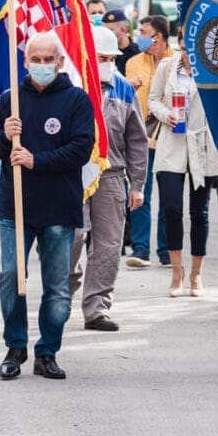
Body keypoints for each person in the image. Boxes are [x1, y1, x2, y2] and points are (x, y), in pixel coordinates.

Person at [0, 32, 96, 380]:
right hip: (16, 208)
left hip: (59, 207)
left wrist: (36, 160)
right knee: (12, 277)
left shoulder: (76, 100)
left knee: (58, 287)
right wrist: (3, 133)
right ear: (25, 61)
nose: (42, 65)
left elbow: (81, 149)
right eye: (36, 59)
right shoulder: (9, 101)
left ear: (60, 63)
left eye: (49, 59)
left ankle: (47, 351)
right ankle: (15, 347)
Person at [69, 26, 148, 331]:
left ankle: (96, 308)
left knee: (108, 246)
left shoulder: (123, 88)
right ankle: (62, 297)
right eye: (101, 57)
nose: (107, 62)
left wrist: (137, 184)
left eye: (111, 57)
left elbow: (137, 140)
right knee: (72, 239)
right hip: (74, 174)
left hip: (112, 176)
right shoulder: (73, 82)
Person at [148, 28, 218, 297]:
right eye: (184, 48)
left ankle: (196, 273)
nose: (188, 54)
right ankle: (176, 271)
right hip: (172, 144)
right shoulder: (167, 68)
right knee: (171, 208)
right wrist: (165, 114)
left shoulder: (213, 70)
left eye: (193, 49)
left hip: (201, 145)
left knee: (200, 212)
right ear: (178, 46)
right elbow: (153, 99)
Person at [124, 14, 172, 268]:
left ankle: (166, 249)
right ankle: (140, 247)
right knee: (140, 191)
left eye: (144, 32)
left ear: (159, 36)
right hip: (140, 137)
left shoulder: (177, 61)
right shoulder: (133, 63)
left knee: (168, 194)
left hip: (170, 136)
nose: (138, 36)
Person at [101, 10, 140, 76]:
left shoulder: (138, 52)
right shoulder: (103, 54)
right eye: (104, 30)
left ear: (123, 30)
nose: (106, 33)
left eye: (110, 30)